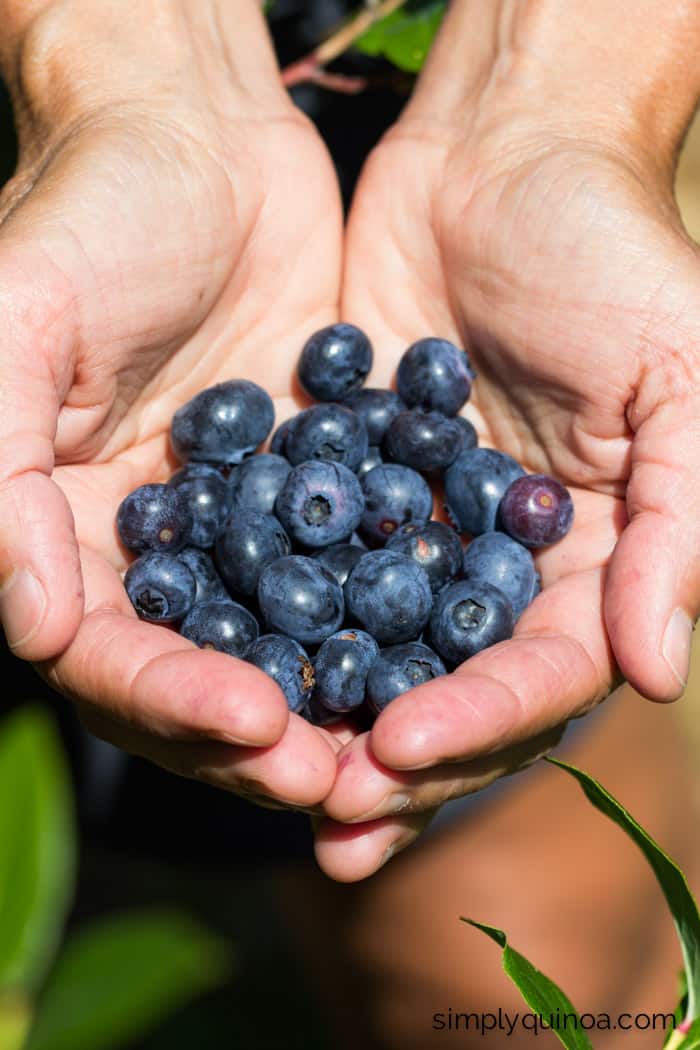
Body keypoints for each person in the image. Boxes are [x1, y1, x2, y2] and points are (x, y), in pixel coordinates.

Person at [0, 2, 699, 1042]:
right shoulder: (245, 509)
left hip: (387, 106)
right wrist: (127, 61)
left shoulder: (411, 495)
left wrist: (560, 90)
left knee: (519, 953)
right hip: (114, 340)